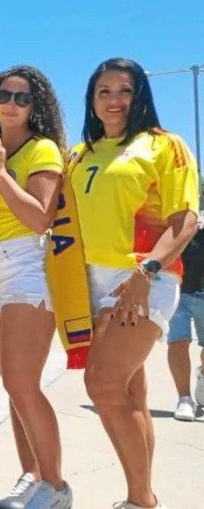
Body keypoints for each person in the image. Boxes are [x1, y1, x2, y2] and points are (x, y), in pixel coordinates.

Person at [72, 58, 199, 509]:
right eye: (103, 91)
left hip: (144, 277)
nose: (114, 100)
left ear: (140, 94)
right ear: (91, 99)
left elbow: (185, 221)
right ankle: (141, 497)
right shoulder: (80, 153)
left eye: (124, 90)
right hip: (89, 280)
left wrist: (147, 272)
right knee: (130, 391)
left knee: (103, 386)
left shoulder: (165, 145)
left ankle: (141, 500)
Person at [0, 66, 72, 509]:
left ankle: (55, 485)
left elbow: (39, 217)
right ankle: (31, 475)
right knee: (13, 385)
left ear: (36, 108)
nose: (11, 103)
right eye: (4, 95)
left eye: (22, 98)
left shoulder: (42, 149)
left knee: (22, 382)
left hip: (25, 264)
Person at [166, 214, 204, 421]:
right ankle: (184, 398)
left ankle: (203, 376)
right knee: (178, 342)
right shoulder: (178, 208)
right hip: (177, 288)